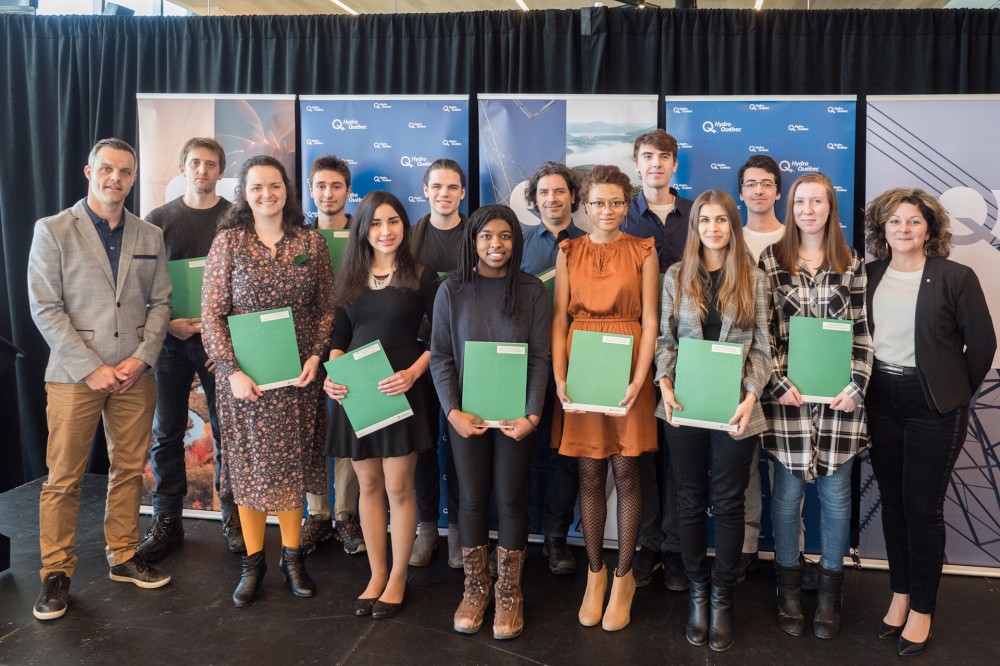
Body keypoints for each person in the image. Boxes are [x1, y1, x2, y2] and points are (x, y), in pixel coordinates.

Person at [29, 138, 172, 621]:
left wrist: (142, 357)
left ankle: (124, 555)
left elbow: (162, 304)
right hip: (75, 376)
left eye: (126, 172)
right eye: (107, 169)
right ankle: (56, 573)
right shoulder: (52, 230)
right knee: (64, 478)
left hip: (135, 374)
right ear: (89, 172)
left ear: (134, 177)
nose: (116, 178)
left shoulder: (149, 234)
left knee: (130, 470)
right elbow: (45, 308)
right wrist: (90, 366)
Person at [863, 188, 996, 656]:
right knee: (894, 504)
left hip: (933, 405)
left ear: (930, 229)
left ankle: (923, 606)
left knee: (923, 507)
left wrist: (952, 390)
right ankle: (900, 594)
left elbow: (982, 347)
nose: (904, 228)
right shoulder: (869, 274)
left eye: (914, 221)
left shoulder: (955, 277)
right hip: (879, 398)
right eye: (895, 221)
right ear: (883, 230)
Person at [201, 155, 333, 608]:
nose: (266, 194)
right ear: (244, 192)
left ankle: (293, 558)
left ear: (287, 190)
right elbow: (212, 315)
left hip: (297, 381)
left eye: (274, 186)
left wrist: (317, 356)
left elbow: (325, 309)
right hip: (245, 385)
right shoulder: (230, 243)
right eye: (256, 187)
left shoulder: (310, 243)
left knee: (292, 468)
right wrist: (231, 371)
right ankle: (253, 562)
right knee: (251, 469)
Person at [655, 190, 772, 652]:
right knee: (687, 500)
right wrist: (664, 384)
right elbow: (665, 340)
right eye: (705, 220)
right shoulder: (675, 276)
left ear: (733, 226)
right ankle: (697, 593)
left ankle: (722, 597)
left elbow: (763, 347)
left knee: (727, 502)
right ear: (695, 226)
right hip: (682, 403)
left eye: (722, 220)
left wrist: (750, 396)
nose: (713, 228)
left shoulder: (754, 278)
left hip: (734, 407)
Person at [759, 172, 873, 639]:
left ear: (831, 208)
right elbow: (762, 335)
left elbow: (863, 334)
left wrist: (857, 386)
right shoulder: (771, 260)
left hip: (839, 406)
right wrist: (776, 383)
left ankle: (829, 591)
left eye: (817, 202)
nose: (808, 209)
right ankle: (787, 588)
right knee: (785, 502)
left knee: (835, 502)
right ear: (791, 207)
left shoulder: (853, 262)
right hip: (787, 403)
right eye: (801, 201)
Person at [431, 204, 551, 639]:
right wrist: (453, 412)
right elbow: (441, 356)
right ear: (472, 240)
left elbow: (540, 356)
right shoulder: (452, 291)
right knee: (472, 499)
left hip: (516, 417)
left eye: (504, 236)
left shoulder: (533, 290)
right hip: (466, 416)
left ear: (515, 242)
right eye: (486, 236)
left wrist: (533, 413)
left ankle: (509, 593)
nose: (495, 244)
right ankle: (476, 588)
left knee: (511, 498)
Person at [552, 164, 659, 632]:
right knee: (590, 472)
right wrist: (559, 378)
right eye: (598, 202)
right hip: (581, 369)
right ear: (584, 204)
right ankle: (594, 574)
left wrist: (640, 381)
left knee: (628, 470)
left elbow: (652, 320)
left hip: (629, 366)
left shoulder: (644, 250)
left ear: (627, 203)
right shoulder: (567, 250)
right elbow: (558, 319)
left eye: (617, 202)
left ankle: (624, 576)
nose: (608, 210)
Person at [324, 191, 438, 620]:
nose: (385, 231)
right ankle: (376, 574)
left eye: (393, 222)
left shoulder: (422, 276)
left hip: (400, 391)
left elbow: (440, 338)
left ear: (404, 227)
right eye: (375, 223)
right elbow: (338, 338)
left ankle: (397, 579)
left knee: (397, 488)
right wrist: (333, 375)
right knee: (367, 487)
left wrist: (413, 373)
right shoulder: (349, 277)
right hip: (357, 394)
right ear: (363, 230)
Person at [139, 137, 243, 562]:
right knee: (166, 432)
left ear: (221, 171)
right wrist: (168, 324)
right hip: (170, 342)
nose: (203, 170)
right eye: (195, 163)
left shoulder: (234, 220)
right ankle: (167, 520)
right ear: (183, 167)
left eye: (211, 164)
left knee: (226, 431)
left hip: (221, 344)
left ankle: (233, 515)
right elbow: (139, 287)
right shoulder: (158, 219)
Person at [622, 129, 694, 591]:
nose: (656, 164)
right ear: (636, 162)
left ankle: (677, 547)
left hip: (690, 352)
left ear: (674, 164)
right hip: (631, 351)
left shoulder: (697, 215)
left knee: (680, 457)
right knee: (641, 456)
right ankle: (648, 544)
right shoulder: (617, 216)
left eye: (664, 157)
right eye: (647, 157)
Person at [519, 161, 586, 576]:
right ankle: (517, 538)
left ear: (573, 197)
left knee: (567, 455)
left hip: (578, 365)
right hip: (527, 363)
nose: (552, 199)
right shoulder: (519, 243)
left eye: (559, 191)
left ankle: (557, 538)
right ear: (534, 199)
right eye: (544, 192)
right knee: (521, 452)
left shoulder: (589, 243)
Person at [300, 154, 365, 557]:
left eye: (336, 186)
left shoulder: (365, 234)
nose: (328, 193)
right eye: (321, 186)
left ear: (347, 190)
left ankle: (344, 515)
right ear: (311, 190)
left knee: (345, 430)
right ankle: (316, 514)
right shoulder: (297, 239)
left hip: (352, 342)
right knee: (309, 431)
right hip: (304, 348)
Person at [409, 159, 468, 568]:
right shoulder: (408, 237)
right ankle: (428, 527)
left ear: (463, 192)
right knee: (424, 445)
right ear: (425, 190)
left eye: (452, 187)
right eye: (437, 187)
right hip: (417, 357)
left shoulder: (475, 235)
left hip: (468, 357)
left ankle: (462, 530)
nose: (444, 193)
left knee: (463, 446)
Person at [735, 154, 783, 583]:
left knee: (786, 467)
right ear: (741, 192)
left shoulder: (796, 237)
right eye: (751, 184)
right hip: (739, 371)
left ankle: (792, 552)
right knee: (744, 465)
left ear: (778, 191)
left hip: (788, 373)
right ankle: (748, 546)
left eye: (766, 183)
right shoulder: (730, 239)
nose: (759, 190)